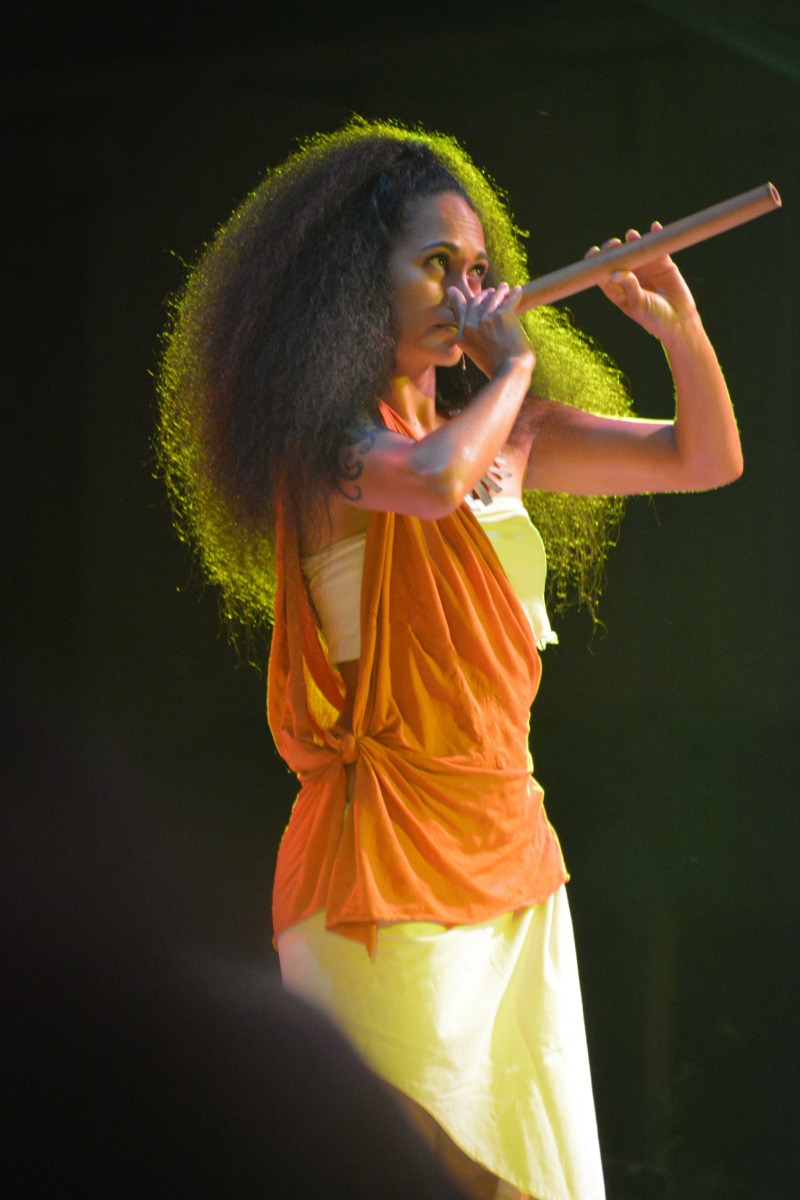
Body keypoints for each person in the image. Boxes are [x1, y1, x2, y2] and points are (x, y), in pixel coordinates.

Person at [156, 119, 742, 1200]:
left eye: (476, 271)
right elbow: (430, 481)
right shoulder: (328, 446)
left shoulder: (512, 436)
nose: (463, 293)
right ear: (356, 284)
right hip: (379, 868)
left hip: (511, 858)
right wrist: (512, 363)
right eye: (434, 265)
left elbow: (702, 458)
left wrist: (681, 328)